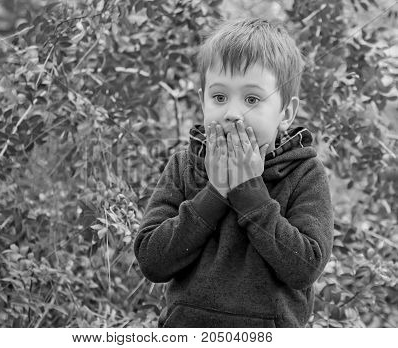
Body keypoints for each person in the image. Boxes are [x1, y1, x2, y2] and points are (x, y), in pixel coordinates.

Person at [133, 17, 334, 328]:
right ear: (202, 100)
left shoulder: (305, 173)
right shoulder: (185, 166)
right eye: (219, 97)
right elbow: (152, 261)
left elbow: (304, 267)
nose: (232, 113)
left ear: (286, 113)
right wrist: (215, 192)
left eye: (252, 99)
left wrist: (248, 190)